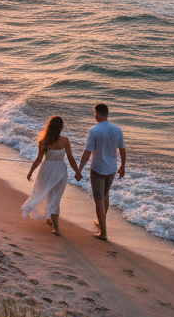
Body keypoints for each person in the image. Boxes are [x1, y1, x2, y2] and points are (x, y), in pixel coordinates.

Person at [21, 116, 80, 236]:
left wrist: (31, 171)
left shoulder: (44, 141)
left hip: (47, 170)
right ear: (61, 127)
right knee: (55, 197)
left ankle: (53, 223)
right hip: (60, 171)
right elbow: (71, 159)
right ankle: (55, 226)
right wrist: (77, 172)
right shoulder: (65, 141)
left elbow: (39, 159)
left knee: (48, 195)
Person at [76, 103, 126, 241]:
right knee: (105, 195)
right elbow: (122, 150)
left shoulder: (94, 130)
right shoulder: (117, 129)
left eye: (95, 114)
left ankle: (103, 233)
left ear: (97, 114)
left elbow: (87, 152)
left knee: (98, 200)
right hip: (111, 169)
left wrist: (79, 169)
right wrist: (123, 166)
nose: (95, 116)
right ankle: (101, 221)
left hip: (98, 169)